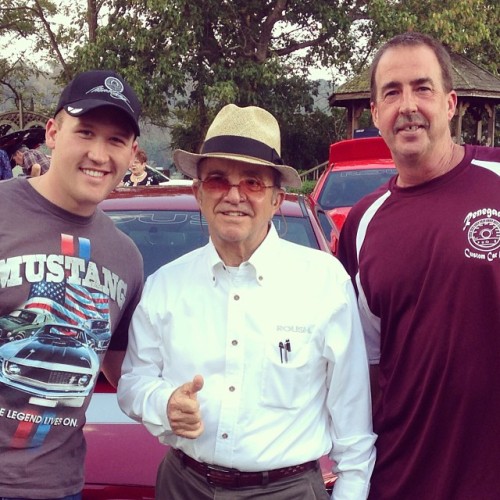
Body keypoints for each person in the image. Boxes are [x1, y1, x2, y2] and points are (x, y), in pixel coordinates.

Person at [117, 104, 376, 500]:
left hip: (287, 490)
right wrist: (162, 402)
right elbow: (133, 382)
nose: (234, 195)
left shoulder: (323, 283)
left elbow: (353, 425)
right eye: (218, 180)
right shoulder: (165, 286)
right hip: (183, 485)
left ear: (276, 199)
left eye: (253, 182)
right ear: (198, 193)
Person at [337, 32, 500, 500]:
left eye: (422, 88)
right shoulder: (362, 225)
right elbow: (363, 369)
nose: (408, 105)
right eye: (392, 92)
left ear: (450, 104)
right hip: (402, 479)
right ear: (375, 114)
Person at [0, 69, 144, 499]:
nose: (99, 154)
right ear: (52, 133)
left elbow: (120, 368)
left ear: (133, 152)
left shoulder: (127, 258)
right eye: (85, 132)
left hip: (56, 487)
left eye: (116, 140)